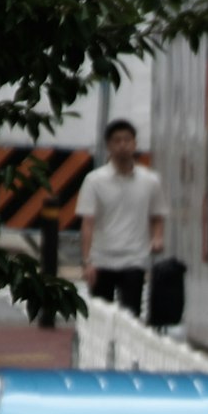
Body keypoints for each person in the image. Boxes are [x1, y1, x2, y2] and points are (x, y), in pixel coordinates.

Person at [79, 121, 164, 316]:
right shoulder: (94, 180)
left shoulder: (150, 181)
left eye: (127, 140)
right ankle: (103, 347)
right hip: (102, 259)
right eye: (117, 141)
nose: (122, 145)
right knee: (101, 316)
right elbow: (88, 223)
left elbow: (157, 215)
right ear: (108, 145)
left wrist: (157, 237)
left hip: (134, 258)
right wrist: (87, 261)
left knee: (131, 315)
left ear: (135, 144)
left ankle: (123, 347)